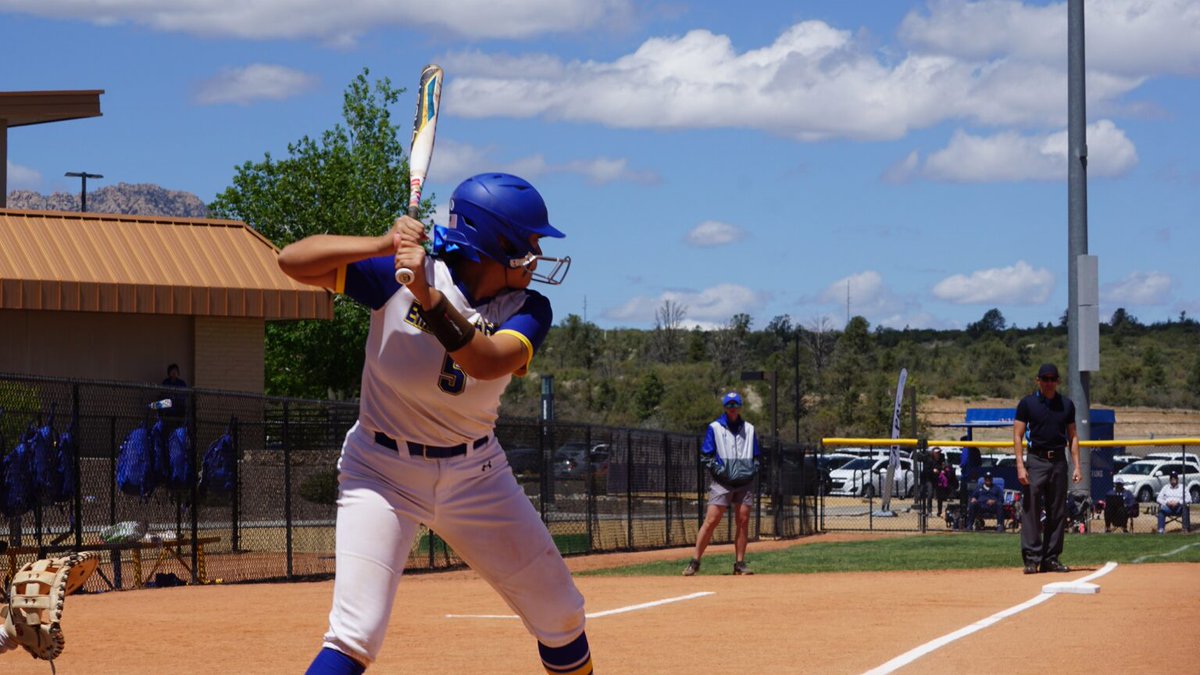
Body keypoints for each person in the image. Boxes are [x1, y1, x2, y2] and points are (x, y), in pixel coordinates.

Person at [277, 173, 589, 675]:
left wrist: (428, 298)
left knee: (562, 614)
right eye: (529, 242)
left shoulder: (529, 307)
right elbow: (291, 260)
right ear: (495, 244)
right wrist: (383, 243)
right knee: (355, 635)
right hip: (380, 471)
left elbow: (486, 361)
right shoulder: (397, 274)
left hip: (476, 473)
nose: (536, 253)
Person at [683, 391, 761, 577]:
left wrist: (752, 469)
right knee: (711, 521)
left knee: (743, 521)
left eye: (735, 405)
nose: (732, 409)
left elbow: (757, 455)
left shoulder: (749, 429)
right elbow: (706, 456)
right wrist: (720, 471)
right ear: (725, 408)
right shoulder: (715, 428)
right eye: (729, 406)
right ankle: (695, 561)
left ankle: (740, 563)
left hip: (744, 482)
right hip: (722, 483)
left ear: (740, 407)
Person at [1013, 363, 1082, 575]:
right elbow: (1017, 435)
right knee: (1031, 510)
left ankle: (1051, 558)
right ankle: (1032, 559)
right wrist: (1020, 465)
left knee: (1057, 511)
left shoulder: (1066, 405)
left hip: (1059, 461)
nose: (1049, 383)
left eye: (1053, 379)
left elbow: (1073, 436)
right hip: (1036, 460)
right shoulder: (1027, 404)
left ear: (1058, 381)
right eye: (1045, 379)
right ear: (1038, 381)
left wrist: (1077, 465)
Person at [933, 454, 957, 518]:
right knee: (939, 499)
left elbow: (951, 477)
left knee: (949, 499)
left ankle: (949, 512)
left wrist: (946, 471)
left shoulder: (949, 468)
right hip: (941, 486)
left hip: (948, 486)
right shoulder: (937, 464)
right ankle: (940, 511)